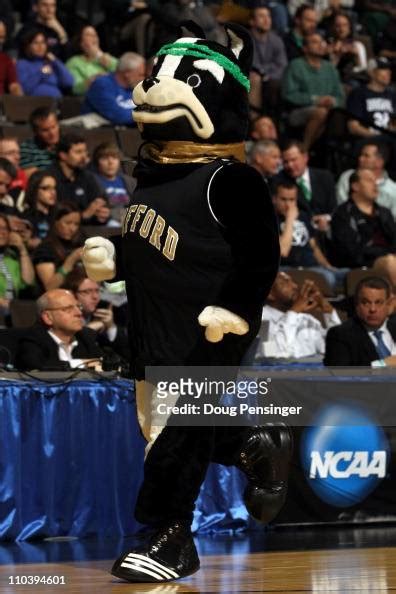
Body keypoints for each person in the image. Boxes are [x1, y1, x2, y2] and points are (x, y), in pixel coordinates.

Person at [273, 179, 347, 291]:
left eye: (292, 200)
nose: (288, 205)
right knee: (328, 278)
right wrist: (290, 219)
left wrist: (328, 266)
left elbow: (314, 247)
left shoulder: (303, 216)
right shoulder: (270, 219)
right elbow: (283, 251)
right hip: (288, 268)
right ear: (274, 199)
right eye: (283, 199)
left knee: (350, 275)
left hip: (312, 267)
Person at [331, 168, 396, 284]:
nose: (375, 185)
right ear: (355, 186)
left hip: (388, 256)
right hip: (364, 262)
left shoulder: (384, 212)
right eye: (369, 180)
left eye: (375, 181)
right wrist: (384, 255)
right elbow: (351, 252)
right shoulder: (343, 214)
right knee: (390, 262)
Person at [281, 32, 345, 150]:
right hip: (298, 110)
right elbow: (288, 94)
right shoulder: (295, 65)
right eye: (315, 42)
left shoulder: (330, 68)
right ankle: (305, 149)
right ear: (305, 48)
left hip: (328, 111)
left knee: (330, 114)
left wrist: (333, 101)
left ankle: (310, 150)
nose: (320, 45)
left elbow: (341, 96)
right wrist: (315, 100)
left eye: (321, 42)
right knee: (320, 112)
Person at [257, 271, 341, 359]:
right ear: (269, 294)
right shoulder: (261, 320)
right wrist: (294, 311)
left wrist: (328, 310)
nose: (294, 286)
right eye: (285, 283)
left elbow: (336, 349)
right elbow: (275, 357)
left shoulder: (306, 319)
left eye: (292, 281)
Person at [16, 288, 104, 371]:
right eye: (68, 309)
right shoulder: (32, 339)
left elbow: (104, 364)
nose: (79, 313)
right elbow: (38, 367)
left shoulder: (86, 336)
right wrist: (84, 363)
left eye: (78, 307)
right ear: (48, 317)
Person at [324, 276, 396, 366]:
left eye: (378, 302)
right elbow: (339, 373)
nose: (372, 309)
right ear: (357, 305)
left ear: (389, 304)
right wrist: (382, 364)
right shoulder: (340, 335)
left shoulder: (393, 326)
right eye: (365, 302)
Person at [63, 268, 130, 361]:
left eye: (97, 291)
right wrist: (89, 329)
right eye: (87, 291)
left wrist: (111, 327)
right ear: (71, 294)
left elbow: (127, 352)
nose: (95, 297)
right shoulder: (61, 316)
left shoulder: (106, 310)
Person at [46, 133, 110, 224]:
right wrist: (83, 215)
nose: (84, 157)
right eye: (78, 152)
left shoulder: (88, 176)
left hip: (90, 229)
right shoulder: (49, 178)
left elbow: (101, 201)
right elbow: (53, 215)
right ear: (63, 155)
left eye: (85, 151)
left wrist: (103, 214)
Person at [277, 140, 337, 231]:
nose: (290, 165)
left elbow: (334, 208)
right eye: (285, 162)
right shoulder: (279, 181)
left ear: (305, 157)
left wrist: (326, 218)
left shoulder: (325, 177)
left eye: (293, 160)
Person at [82, 52, 145, 126]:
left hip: (126, 134)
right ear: (127, 73)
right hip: (98, 134)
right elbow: (118, 116)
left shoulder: (135, 88)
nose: (143, 78)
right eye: (140, 75)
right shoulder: (101, 85)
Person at [336, 141, 396, 219]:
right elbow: (340, 207)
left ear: (379, 162)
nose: (360, 158)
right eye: (361, 155)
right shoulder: (347, 176)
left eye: (366, 156)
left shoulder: (393, 189)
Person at [32, 201, 83, 291]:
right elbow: (50, 287)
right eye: (68, 223)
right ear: (55, 222)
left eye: (76, 224)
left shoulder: (79, 243)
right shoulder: (45, 249)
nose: (72, 229)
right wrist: (71, 260)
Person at [248, 6, 287, 116]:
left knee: (276, 84)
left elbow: (282, 65)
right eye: (261, 16)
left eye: (268, 16)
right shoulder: (245, 39)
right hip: (250, 77)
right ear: (252, 22)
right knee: (255, 78)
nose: (266, 20)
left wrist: (266, 75)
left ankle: (272, 122)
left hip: (270, 78)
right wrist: (265, 72)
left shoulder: (276, 40)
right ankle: (254, 120)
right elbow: (252, 64)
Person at [346, 57, 396, 138]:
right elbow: (353, 127)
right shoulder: (358, 93)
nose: (388, 72)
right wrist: (377, 137)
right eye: (383, 69)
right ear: (372, 73)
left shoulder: (392, 95)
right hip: (367, 141)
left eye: (389, 69)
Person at [16, 29, 73, 98]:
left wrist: (55, 61)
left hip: (56, 102)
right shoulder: (22, 64)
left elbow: (69, 82)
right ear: (28, 46)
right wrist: (42, 73)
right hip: (34, 103)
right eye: (35, 43)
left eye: (43, 42)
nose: (40, 46)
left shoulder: (52, 63)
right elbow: (24, 89)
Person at [66, 25, 118, 96]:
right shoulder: (73, 62)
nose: (94, 37)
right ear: (80, 42)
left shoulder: (106, 57)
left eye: (95, 35)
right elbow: (75, 89)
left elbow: (123, 71)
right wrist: (94, 80)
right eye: (88, 35)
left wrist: (99, 55)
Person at [92, 142, 136, 225]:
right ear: (97, 162)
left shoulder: (129, 182)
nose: (110, 162)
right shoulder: (93, 182)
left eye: (114, 158)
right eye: (105, 158)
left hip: (129, 221)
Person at [0, 213, 35, 311]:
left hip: (12, 312)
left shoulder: (12, 258)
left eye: (5, 228)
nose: (2, 232)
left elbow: (28, 282)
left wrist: (22, 249)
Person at [326, 12, 368, 84]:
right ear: (332, 27)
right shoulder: (326, 44)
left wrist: (356, 56)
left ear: (349, 27)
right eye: (338, 26)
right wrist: (338, 55)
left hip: (352, 79)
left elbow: (363, 68)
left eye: (345, 25)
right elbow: (326, 72)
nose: (342, 29)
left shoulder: (357, 45)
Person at [19, 106, 60, 176]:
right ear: (35, 132)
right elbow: (34, 180)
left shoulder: (68, 142)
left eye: (53, 127)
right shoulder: (27, 148)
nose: (52, 133)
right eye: (45, 130)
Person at [23, 170, 57, 241]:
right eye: (46, 188)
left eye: (54, 188)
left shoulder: (59, 214)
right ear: (34, 189)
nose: (52, 192)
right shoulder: (26, 217)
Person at [0, 20, 23, 96]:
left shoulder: (6, 60)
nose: (0, 41)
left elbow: (14, 85)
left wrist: (17, 92)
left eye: (2, 37)